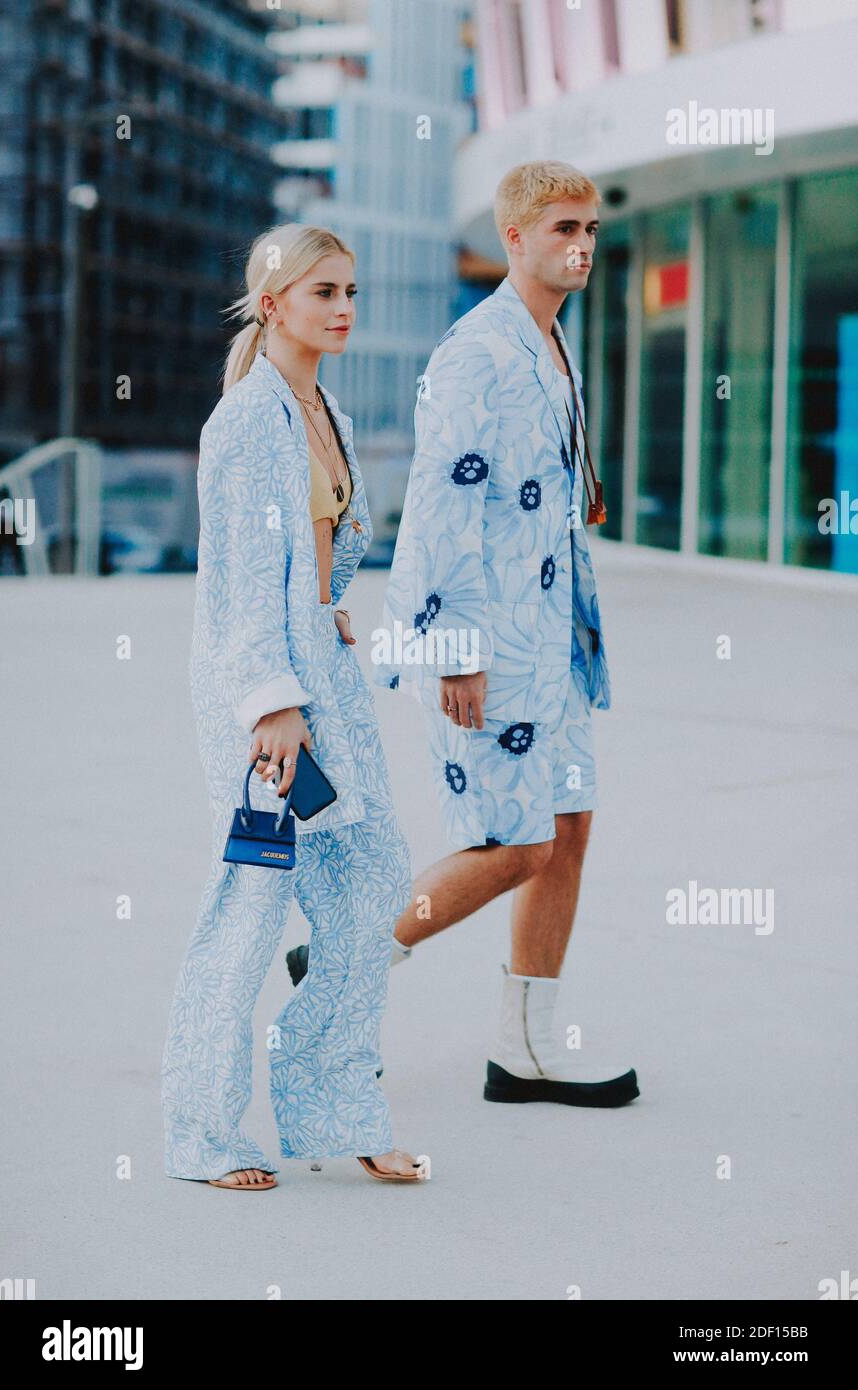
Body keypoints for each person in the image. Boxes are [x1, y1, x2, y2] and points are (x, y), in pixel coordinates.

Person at [288, 161, 639, 1108]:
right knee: (512, 841)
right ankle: (349, 953)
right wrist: (455, 650)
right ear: (514, 240)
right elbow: (443, 507)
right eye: (563, 228)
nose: (582, 246)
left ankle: (525, 1051)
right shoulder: (477, 351)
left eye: (592, 230)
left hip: (556, 638)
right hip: (489, 642)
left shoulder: (550, 343)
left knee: (566, 828)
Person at [161, 223, 425, 1189]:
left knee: (368, 889)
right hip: (263, 699)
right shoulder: (242, 421)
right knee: (253, 900)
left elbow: (315, 551)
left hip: (324, 675)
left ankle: (336, 1111)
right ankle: (202, 1135)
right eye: (323, 293)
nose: (345, 307)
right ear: (273, 305)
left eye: (351, 290)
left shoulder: (329, 414)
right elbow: (233, 581)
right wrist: (270, 704)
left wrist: (327, 611)